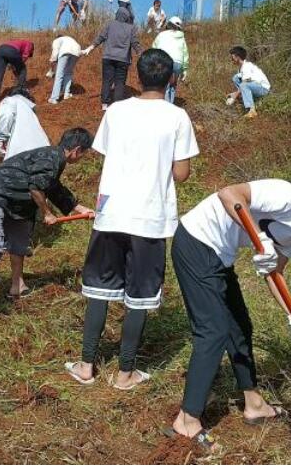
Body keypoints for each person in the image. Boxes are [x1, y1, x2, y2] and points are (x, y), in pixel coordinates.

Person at [166, 178, 291, 449]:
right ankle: (187, 420)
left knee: (240, 327)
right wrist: (259, 238)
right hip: (196, 241)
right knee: (213, 332)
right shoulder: (286, 196)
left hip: (220, 256)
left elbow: (275, 272)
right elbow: (228, 193)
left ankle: (254, 403)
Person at [65, 50, 199, 390]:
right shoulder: (177, 117)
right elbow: (182, 174)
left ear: (137, 77)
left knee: (99, 289)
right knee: (138, 295)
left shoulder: (116, 111)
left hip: (112, 213)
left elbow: (105, 151)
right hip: (149, 218)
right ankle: (125, 373)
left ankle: (86, 365)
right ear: (171, 78)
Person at [0, 128, 96, 327]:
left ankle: (17, 285)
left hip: (15, 201)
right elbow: (36, 187)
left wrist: (80, 208)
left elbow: (53, 187)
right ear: (76, 150)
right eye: (83, 153)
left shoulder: (53, 156)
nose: (82, 157)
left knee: (20, 237)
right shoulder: (52, 158)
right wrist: (47, 213)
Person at [82, 7, 141, 111]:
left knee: (107, 81)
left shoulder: (110, 24)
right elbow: (135, 43)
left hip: (108, 57)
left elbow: (101, 37)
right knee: (120, 83)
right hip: (123, 59)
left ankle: (105, 104)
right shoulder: (131, 28)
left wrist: (90, 48)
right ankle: (117, 105)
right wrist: (141, 54)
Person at [0, 84, 49, 160]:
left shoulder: (10, 100)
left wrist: (1, 141)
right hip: (44, 153)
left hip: (20, 154)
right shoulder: (29, 110)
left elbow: (6, 116)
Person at [224, 46, 270, 119]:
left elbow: (245, 83)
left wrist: (234, 97)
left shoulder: (247, 66)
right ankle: (245, 99)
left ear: (237, 57)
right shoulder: (241, 68)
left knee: (243, 85)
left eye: (232, 58)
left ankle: (252, 111)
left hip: (263, 89)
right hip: (255, 86)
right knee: (236, 78)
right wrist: (235, 94)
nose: (231, 60)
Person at [152, 17, 188, 104]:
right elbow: (185, 54)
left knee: (163, 85)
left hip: (163, 61)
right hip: (178, 63)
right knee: (172, 85)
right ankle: (170, 105)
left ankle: (163, 106)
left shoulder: (161, 35)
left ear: (168, 25)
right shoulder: (182, 37)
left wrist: (153, 63)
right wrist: (184, 69)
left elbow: (154, 48)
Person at [0, 38, 33, 103]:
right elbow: (25, 55)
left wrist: (14, 66)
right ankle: (22, 90)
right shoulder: (29, 44)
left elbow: (14, 62)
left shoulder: (17, 42)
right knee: (23, 69)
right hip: (11, 51)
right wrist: (20, 65)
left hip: (0, 50)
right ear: (32, 49)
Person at [46, 33, 82, 104]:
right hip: (77, 53)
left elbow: (54, 54)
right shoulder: (68, 38)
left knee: (59, 75)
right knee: (68, 73)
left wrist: (51, 70)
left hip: (65, 52)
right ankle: (66, 94)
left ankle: (54, 98)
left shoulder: (56, 40)